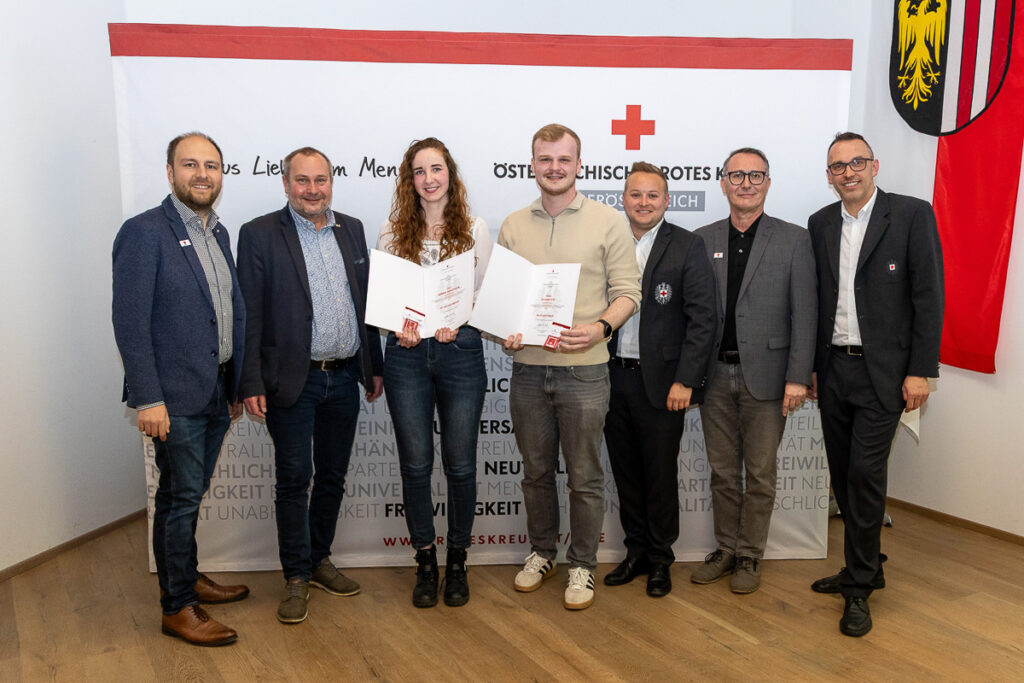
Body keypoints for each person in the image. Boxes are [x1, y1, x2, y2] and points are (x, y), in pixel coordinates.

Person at [236, 146, 384, 624]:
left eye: (321, 180)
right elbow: (248, 314)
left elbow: (366, 304)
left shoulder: (352, 229)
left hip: (344, 376)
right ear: (285, 184)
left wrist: (373, 365)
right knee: (294, 480)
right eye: (302, 180)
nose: (313, 190)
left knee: (333, 476)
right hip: (291, 382)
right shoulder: (259, 234)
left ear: (331, 183)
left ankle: (319, 559)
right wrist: (250, 380)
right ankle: (296, 576)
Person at [112, 132, 248, 646]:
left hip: (215, 390)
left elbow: (226, 312)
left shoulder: (219, 233)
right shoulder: (145, 232)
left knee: (186, 495)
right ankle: (177, 607)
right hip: (172, 397)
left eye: (211, 165)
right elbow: (129, 321)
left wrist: (234, 386)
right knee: (180, 499)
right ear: (170, 173)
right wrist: (148, 398)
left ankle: (186, 578)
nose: (202, 174)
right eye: (190, 164)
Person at [499, 123, 642, 610]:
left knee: (584, 476)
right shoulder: (513, 225)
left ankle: (582, 564)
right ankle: (542, 553)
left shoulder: (608, 221)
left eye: (564, 159)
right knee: (536, 473)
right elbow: (504, 301)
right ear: (532, 164)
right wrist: (505, 329)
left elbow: (629, 292)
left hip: (585, 371)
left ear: (579, 165)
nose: (554, 168)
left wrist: (601, 327)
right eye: (545, 159)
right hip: (528, 369)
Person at [807, 132, 943, 637]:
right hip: (833, 369)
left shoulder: (911, 214)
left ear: (875, 166)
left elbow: (929, 296)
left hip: (884, 372)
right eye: (838, 166)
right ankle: (863, 566)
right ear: (829, 175)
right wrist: (810, 367)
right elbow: (818, 299)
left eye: (857, 162)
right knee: (844, 476)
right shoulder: (820, 223)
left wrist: (920, 370)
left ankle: (859, 586)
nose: (848, 173)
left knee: (865, 474)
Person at [691, 147, 817, 594]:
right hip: (713, 376)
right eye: (737, 175)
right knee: (723, 472)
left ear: (768, 182)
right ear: (722, 183)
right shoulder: (700, 239)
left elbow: (806, 313)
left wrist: (798, 376)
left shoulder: (795, 239)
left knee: (760, 474)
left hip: (769, 376)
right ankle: (726, 549)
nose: (746, 183)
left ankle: (750, 555)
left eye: (755, 175)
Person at [376, 138, 492, 608]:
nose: (429, 179)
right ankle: (425, 560)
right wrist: (399, 327)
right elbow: (387, 299)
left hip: (459, 352)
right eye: (420, 171)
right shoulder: (391, 232)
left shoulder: (475, 229)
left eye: (436, 168)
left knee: (460, 465)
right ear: (410, 180)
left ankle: (458, 559)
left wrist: (459, 319)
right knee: (416, 464)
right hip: (406, 356)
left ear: (450, 174)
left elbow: (483, 295)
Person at [602, 162, 717, 597]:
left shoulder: (688, 245)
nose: (644, 202)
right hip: (611, 376)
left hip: (664, 384)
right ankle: (635, 552)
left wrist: (686, 380)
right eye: (636, 194)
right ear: (623, 199)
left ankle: (660, 559)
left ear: (667, 201)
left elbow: (703, 319)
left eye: (653, 195)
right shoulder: (608, 240)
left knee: (660, 475)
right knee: (626, 472)